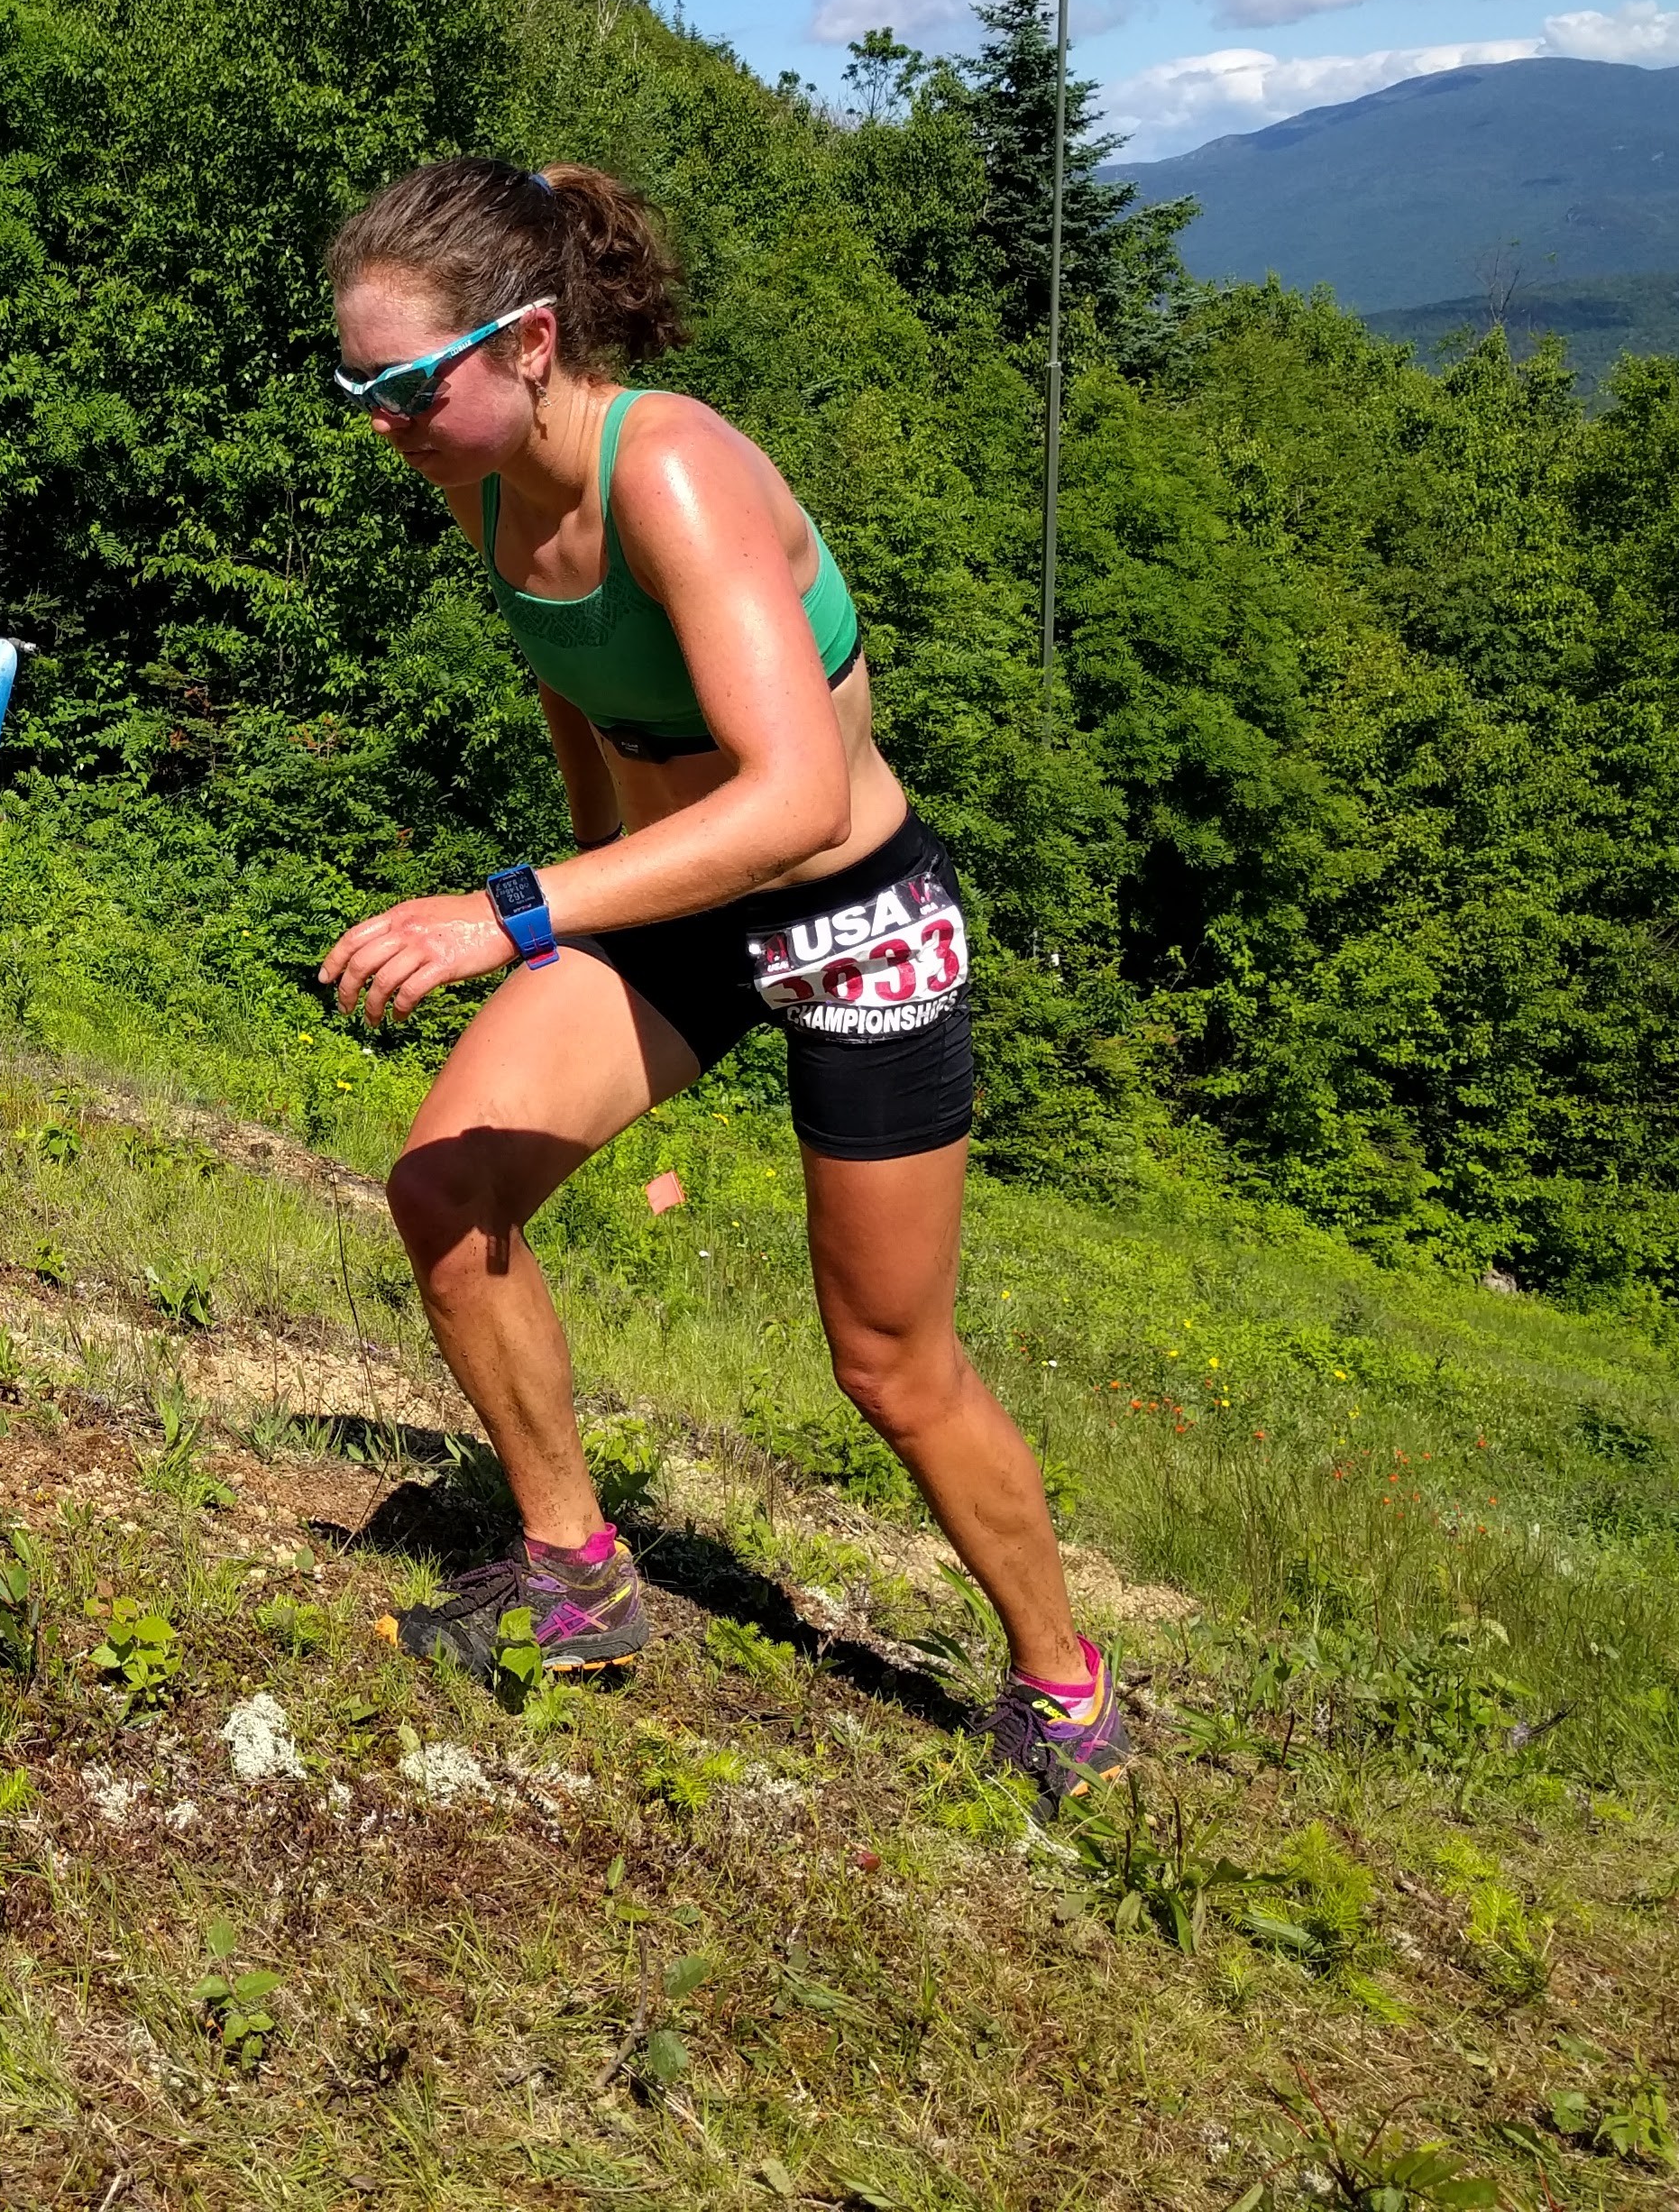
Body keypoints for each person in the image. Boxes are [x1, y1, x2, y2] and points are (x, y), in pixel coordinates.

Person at [313, 157, 1127, 1802]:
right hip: (673, 909)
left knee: (890, 1360)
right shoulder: (469, 474)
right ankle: (576, 1575)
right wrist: (593, 884)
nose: (381, 419)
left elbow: (797, 800)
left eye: (407, 384)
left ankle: (1067, 1690)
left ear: (529, 342)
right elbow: (573, 670)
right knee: (447, 1191)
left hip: (849, 916)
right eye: (357, 386)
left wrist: (517, 913)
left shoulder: (675, 471)